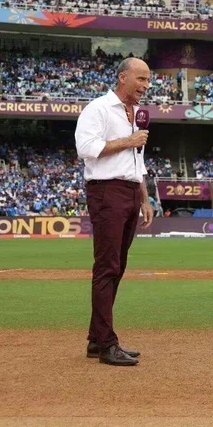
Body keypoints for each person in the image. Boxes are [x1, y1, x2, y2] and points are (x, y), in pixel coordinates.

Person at [74, 57, 154, 367]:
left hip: (131, 191)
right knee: (107, 266)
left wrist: (145, 199)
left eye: (148, 80)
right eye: (141, 79)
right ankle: (107, 344)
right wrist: (128, 140)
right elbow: (86, 148)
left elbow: (137, 161)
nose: (146, 85)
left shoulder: (137, 114)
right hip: (107, 191)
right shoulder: (98, 108)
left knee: (117, 267)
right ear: (123, 77)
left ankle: (97, 339)